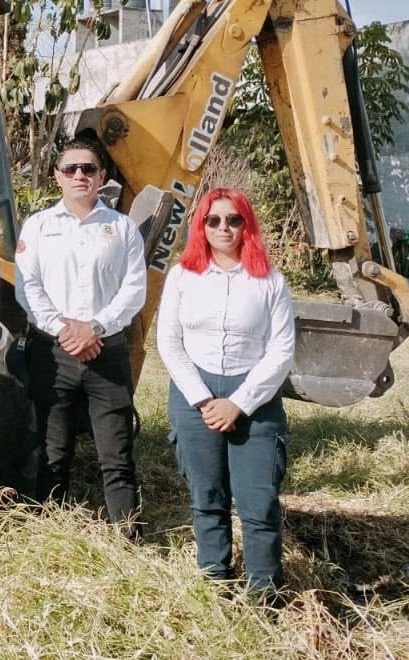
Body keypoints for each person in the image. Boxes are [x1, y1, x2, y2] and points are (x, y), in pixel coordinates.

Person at [158, 188, 296, 596]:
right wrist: (203, 400)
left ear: (246, 225)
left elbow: (282, 348)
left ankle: (263, 594)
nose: (223, 227)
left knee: (259, 504)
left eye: (233, 219)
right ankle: (213, 585)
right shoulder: (183, 276)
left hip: (254, 398)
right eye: (213, 220)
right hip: (194, 396)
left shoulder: (270, 281)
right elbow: (169, 342)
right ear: (201, 225)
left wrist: (239, 402)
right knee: (207, 498)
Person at [15, 136, 147, 538]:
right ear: (57, 176)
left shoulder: (122, 227)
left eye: (88, 169)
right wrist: (65, 330)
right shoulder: (38, 226)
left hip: (107, 353)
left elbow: (134, 288)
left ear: (101, 176)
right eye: (70, 168)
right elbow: (27, 287)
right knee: (53, 453)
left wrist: (96, 328)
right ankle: (49, 540)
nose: (79, 175)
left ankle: (128, 542)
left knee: (116, 456)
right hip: (53, 354)